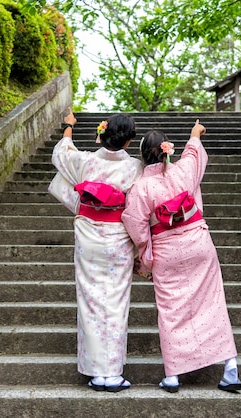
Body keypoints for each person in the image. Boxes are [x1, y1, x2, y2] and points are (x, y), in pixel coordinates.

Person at [121, 119, 241, 393]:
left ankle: (174, 375)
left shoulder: (142, 187)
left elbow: (136, 226)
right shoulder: (183, 171)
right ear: (167, 151)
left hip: (167, 249)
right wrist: (193, 134)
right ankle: (230, 369)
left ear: (142, 157)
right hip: (198, 242)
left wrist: (146, 257)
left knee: (171, 312)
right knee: (213, 304)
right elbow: (193, 153)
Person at [50, 108, 143, 392]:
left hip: (89, 235)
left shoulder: (85, 161)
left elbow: (61, 154)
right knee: (115, 302)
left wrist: (69, 126)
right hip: (117, 238)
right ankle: (112, 372)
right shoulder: (134, 167)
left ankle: (95, 372)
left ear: (102, 134)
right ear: (128, 142)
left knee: (89, 301)